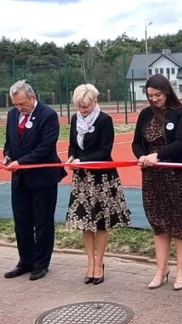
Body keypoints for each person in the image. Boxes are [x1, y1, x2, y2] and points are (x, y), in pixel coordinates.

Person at [131, 74, 182, 291]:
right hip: (154, 178)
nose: (154, 99)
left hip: (179, 176)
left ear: (167, 92)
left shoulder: (181, 113)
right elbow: (137, 142)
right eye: (150, 96)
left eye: (158, 95)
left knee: (181, 224)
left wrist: (158, 156)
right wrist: (142, 156)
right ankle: (161, 269)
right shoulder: (145, 114)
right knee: (159, 224)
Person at [65, 83, 131, 285]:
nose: (83, 110)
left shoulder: (104, 120)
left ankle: (100, 263)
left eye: (86, 106)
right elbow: (72, 145)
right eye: (80, 106)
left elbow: (104, 150)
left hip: (102, 178)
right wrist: (71, 158)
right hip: (82, 179)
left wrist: (82, 161)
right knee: (85, 222)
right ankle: (90, 263)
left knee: (101, 223)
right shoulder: (76, 118)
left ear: (95, 101)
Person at [2, 80, 67, 281]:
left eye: (23, 104)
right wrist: (8, 157)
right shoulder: (12, 115)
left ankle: (41, 264)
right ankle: (25, 261)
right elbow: (9, 141)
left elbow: (46, 147)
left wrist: (21, 161)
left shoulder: (48, 115)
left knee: (43, 222)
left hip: (42, 178)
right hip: (20, 178)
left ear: (33, 97)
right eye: (16, 105)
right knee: (21, 222)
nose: (19, 108)